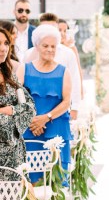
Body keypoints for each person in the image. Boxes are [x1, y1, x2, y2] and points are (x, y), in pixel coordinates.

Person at [0, 26, 36, 200]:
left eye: (5, 44)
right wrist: (12, 116)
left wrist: (8, 112)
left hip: (14, 160)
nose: (2, 48)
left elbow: (30, 109)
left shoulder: (11, 77)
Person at [17, 25, 72, 183]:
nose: (50, 49)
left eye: (53, 46)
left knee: (56, 179)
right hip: (30, 127)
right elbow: (18, 98)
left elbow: (66, 101)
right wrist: (33, 119)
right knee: (31, 179)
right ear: (36, 46)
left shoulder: (63, 71)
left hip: (56, 127)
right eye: (45, 45)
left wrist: (46, 118)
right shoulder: (24, 69)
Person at [24, 12, 81, 120]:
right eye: (44, 28)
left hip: (60, 112)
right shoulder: (28, 54)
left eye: (52, 28)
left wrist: (75, 107)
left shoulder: (68, 53)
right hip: (33, 115)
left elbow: (75, 80)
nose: (48, 32)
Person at [58, 19, 84, 98]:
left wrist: (81, 88)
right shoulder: (51, 48)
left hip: (70, 85)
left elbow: (78, 70)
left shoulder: (72, 48)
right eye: (59, 30)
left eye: (65, 31)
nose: (62, 33)